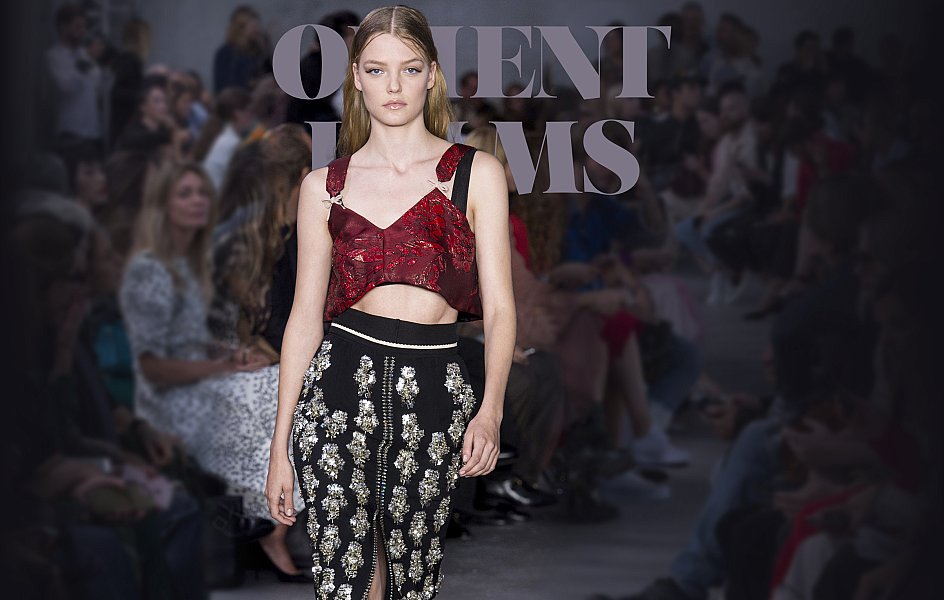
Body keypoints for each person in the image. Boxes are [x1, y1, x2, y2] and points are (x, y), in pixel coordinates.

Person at [265, 6, 515, 599]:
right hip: (336, 388)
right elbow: (304, 318)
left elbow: (502, 308)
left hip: (433, 388)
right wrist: (279, 446)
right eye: (377, 70)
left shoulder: (475, 174)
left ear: (432, 74)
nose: (393, 86)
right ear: (356, 77)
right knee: (344, 582)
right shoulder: (322, 187)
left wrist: (491, 410)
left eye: (409, 68)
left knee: (412, 580)